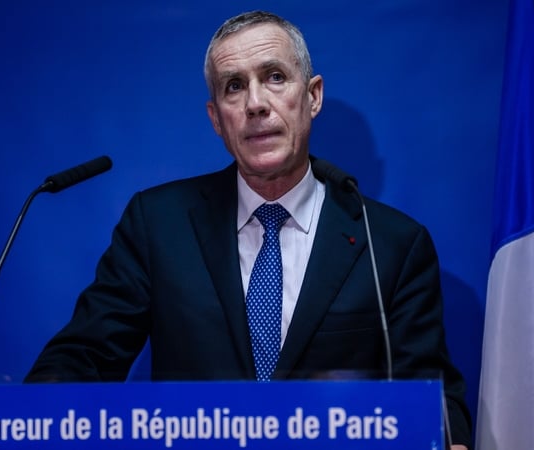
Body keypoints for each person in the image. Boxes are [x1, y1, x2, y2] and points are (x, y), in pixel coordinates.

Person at [26, 10, 471, 448]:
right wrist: (30, 417)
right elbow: (84, 356)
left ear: (313, 97)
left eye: (275, 76)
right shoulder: (158, 224)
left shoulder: (392, 245)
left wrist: (449, 435)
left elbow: (430, 397)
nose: (255, 103)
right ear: (217, 118)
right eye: (234, 86)